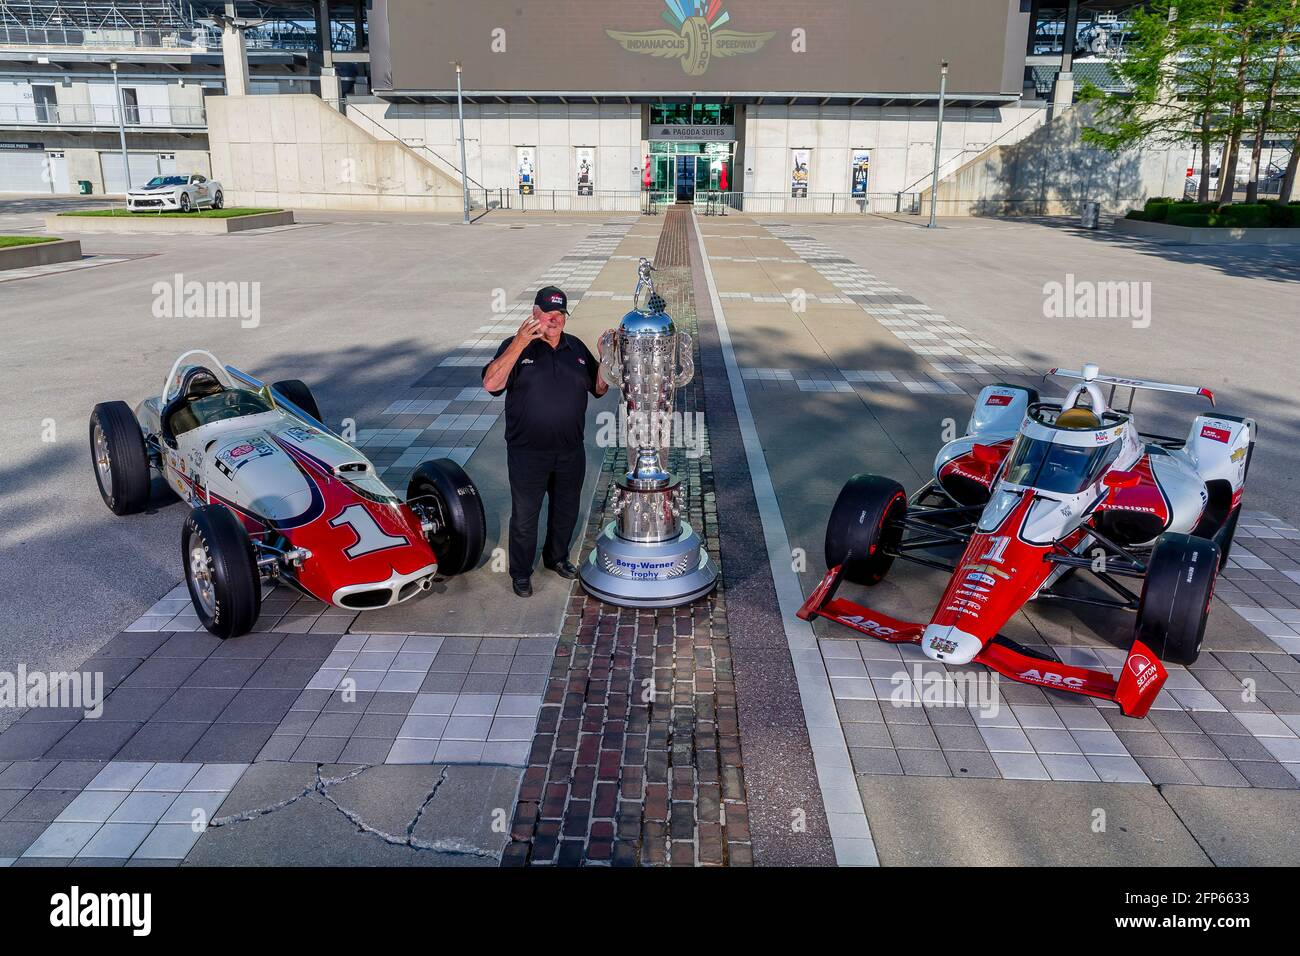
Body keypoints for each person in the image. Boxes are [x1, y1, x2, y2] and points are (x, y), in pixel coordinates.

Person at [482, 286, 609, 597]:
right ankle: (521, 573)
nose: (554, 320)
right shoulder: (516, 347)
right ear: (534, 313)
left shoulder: (576, 348)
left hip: (569, 450)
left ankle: (557, 558)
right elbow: (490, 384)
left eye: (560, 314)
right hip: (528, 452)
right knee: (526, 516)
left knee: (566, 510)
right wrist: (520, 342)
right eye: (548, 313)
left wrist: (607, 356)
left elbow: (600, 388)